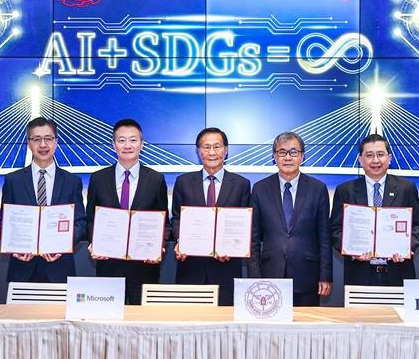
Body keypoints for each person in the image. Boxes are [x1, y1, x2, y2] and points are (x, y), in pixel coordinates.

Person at [86, 118, 168, 305]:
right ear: (113, 144)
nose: (127, 145)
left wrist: (159, 246)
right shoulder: (98, 178)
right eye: (121, 140)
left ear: (142, 144)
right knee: (108, 320)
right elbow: (91, 218)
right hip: (109, 266)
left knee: (143, 320)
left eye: (133, 140)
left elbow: (164, 222)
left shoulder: (156, 179)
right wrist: (94, 243)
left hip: (144, 267)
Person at [331, 134, 419, 287]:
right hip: (359, 274)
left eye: (380, 154)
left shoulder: (406, 188)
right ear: (360, 160)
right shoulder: (345, 191)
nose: (375, 160)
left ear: (389, 158)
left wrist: (406, 248)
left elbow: (418, 226)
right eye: (369, 155)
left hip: (398, 272)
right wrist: (351, 250)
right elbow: (335, 230)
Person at [249, 131, 332, 306]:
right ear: (274, 157)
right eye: (282, 152)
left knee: (306, 323)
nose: (288, 157)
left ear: (302, 156)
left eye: (293, 152)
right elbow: (253, 238)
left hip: (307, 275)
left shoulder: (318, 189)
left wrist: (325, 276)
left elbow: (324, 236)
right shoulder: (260, 189)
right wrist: (254, 277)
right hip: (270, 275)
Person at [170, 127, 251, 305]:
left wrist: (233, 248)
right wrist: (181, 240)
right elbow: (176, 218)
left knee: (225, 320)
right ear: (198, 151)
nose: (212, 152)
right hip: (191, 267)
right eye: (206, 147)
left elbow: (245, 225)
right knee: (189, 318)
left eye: (217, 146)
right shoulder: (183, 182)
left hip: (226, 269)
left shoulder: (241, 184)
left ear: (226, 150)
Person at [1, 117, 86, 283]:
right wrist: (15, 248)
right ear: (28, 143)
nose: (43, 145)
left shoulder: (72, 181)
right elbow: (5, 222)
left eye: (48, 138)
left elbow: (80, 222)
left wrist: (64, 244)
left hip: (60, 267)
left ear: (56, 141)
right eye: (36, 139)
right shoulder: (13, 181)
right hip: (22, 268)